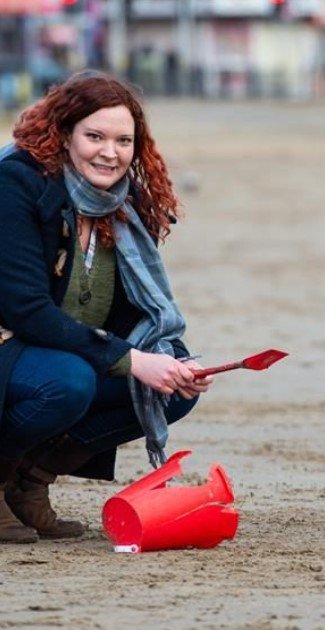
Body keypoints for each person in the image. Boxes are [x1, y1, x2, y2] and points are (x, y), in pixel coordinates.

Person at [0, 71, 212, 544]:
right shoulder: (16, 183)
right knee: (67, 383)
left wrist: (170, 356)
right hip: (10, 342)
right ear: (65, 133)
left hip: (64, 347)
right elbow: (25, 309)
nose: (109, 153)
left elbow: (132, 307)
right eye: (94, 136)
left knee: (174, 388)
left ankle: (29, 480)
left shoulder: (127, 201)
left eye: (123, 141)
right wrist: (134, 360)